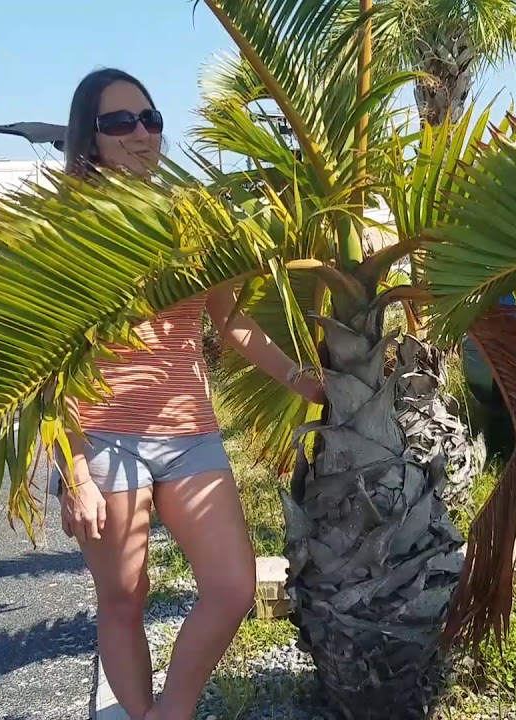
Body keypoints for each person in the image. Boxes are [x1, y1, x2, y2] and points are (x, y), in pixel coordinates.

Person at [54, 68, 324, 720]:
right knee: (125, 597)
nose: (140, 133)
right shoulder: (69, 229)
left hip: (190, 433)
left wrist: (297, 377)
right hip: (104, 435)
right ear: (90, 138)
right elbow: (48, 362)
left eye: (149, 118)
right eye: (120, 122)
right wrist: (74, 472)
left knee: (231, 588)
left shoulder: (188, 218)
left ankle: (168, 714)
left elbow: (227, 320)